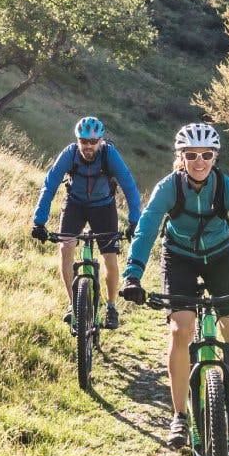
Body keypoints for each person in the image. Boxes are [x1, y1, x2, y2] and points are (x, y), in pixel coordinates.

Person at [120, 122, 229, 450]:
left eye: (206, 155)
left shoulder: (226, 188)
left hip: (220, 257)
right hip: (179, 257)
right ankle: (180, 416)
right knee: (181, 328)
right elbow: (145, 229)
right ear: (181, 157)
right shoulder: (168, 188)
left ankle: (226, 392)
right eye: (191, 155)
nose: (198, 161)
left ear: (215, 157)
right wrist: (133, 275)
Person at [31, 116, 142, 330]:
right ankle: (74, 305)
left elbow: (129, 185)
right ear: (78, 140)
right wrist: (39, 221)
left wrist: (134, 221)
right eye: (84, 141)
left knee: (109, 256)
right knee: (65, 248)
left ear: (100, 141)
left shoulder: (109, 155)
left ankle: (110, 307)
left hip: (104, 208)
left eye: (93, 142)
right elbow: (50, 184)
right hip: (75, 205)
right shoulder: (70, 154)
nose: (88, 146)